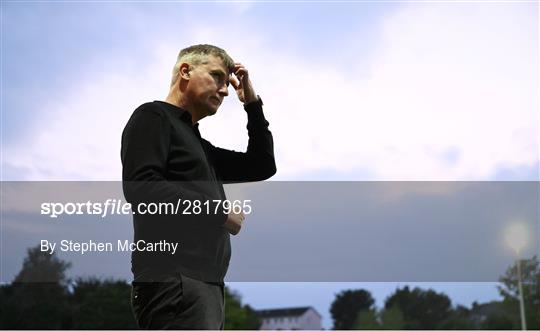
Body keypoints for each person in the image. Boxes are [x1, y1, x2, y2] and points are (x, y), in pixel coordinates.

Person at [121, 44, 276, 329]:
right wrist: (219, 212)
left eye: (226, 82)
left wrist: (252, 105)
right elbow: (141, 188)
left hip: (206, 285)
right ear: (185, 71)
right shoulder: (153, 117)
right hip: (175, 281)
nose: (225, 90)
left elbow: (262, 165)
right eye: (217, 76)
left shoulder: (200, 146)